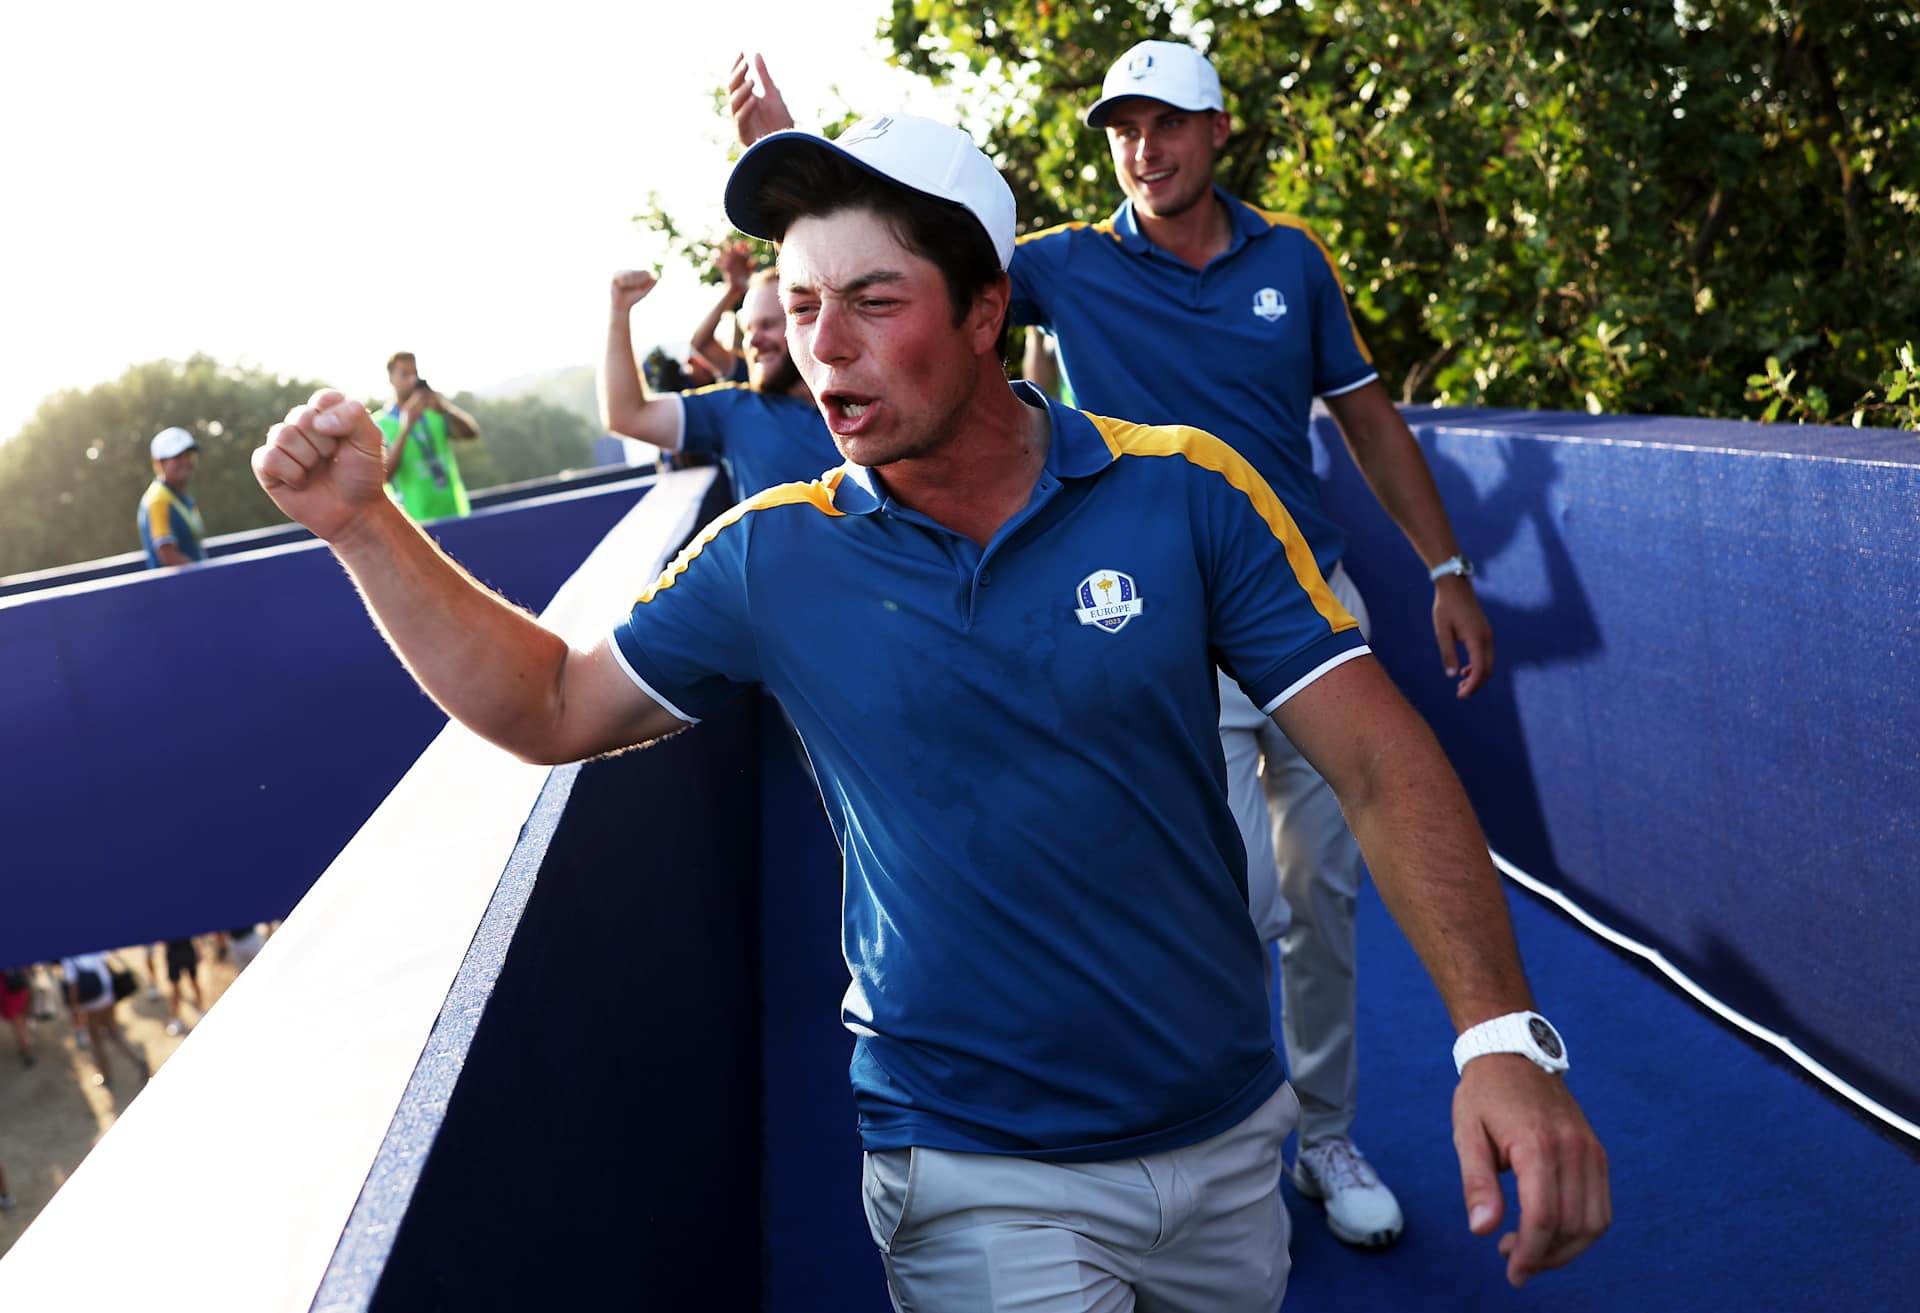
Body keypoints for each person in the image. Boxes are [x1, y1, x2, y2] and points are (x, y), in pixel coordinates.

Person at [256, 111, 1606, 1309]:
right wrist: (363, 527)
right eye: (799, 304)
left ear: (985, 312)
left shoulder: (1186, 491)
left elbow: (1375, 760)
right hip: (968, 1159)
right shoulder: (772, 554)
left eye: (872, 300)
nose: (823, 347)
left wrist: (1498, 1036)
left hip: (1225, 1128)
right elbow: (551, 702)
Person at [733, 41, 1501, 1249]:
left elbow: (1367, 418)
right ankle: (1234, 1138)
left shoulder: (1293, 260)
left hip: (1303, 607)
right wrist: (802, 150)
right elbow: (912, 262)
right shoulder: (1062, 264)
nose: (1145, 148)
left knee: (1324, 895)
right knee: (1234, 896)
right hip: (1158, 625)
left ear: (1218, 130)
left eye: (1168, 123)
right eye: (1124, 128)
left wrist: (1446, 569)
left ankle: (1326, 1136)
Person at [601, 257, 841, 500]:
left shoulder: (855, 399)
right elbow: (627, 416)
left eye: (767, 325)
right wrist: (619, 309)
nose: (753, 341)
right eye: (748, 330)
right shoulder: (732, 409)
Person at [374, 352, 481, 521]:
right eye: (405, 374)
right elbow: (383, 476)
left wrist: (444, 409)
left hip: (455, 512)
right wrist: (406, 428)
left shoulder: (434, 412)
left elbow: (471, 434)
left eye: (415, 373)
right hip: (415, 521)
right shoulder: (380, 424)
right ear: (391, 379)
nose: (412, 380)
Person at [60, 952, 147, 1088]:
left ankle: (106, 1075)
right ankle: (137, 1059)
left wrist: (74, 1008)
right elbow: (106, 966)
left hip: (91, 1005)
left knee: (96, 1041)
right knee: (114, 1033)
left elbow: (73, 986)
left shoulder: (69, 960)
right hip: (107, 997)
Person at [687, 239, 756, 383]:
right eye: (751, 329)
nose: (756, 339)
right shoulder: (750, 370)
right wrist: (733, 290)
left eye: (768, 325)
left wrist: (745, 282)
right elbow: (700, 343)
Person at [137, 426, 206, 568]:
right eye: (177, 457)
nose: (185, 461)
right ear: (159, 463)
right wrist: (208, 576)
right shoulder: (159, 500)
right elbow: (167, 556)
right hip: (182, 582)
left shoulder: (180, 497)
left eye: (188, 455)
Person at [1, 966, 35, 1068]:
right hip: (20, 986)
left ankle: (27, 1050)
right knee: (22, 1021)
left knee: (18, 1024)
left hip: (8, 990)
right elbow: (28, 969)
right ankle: (26, 1046)